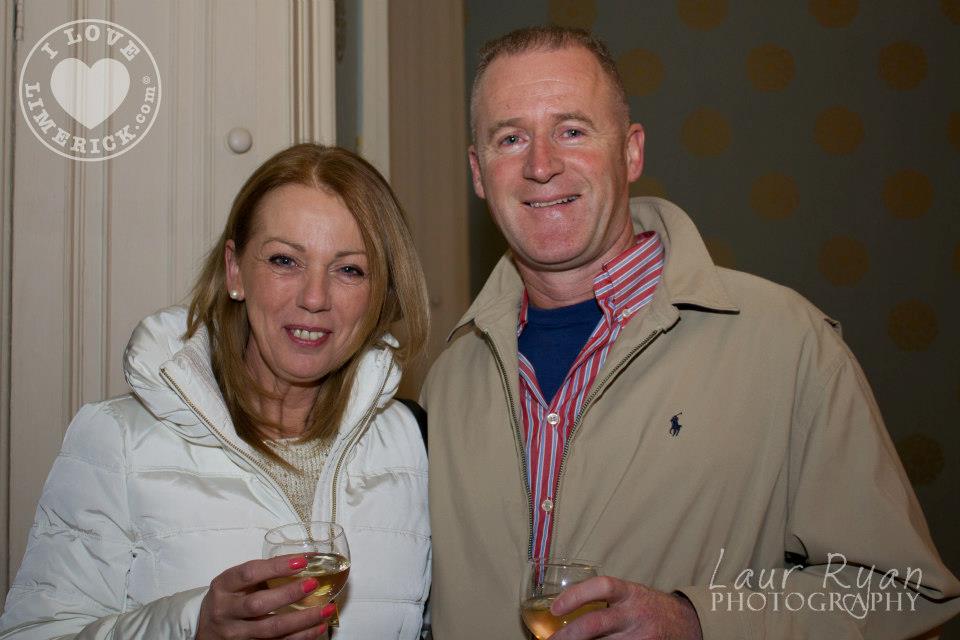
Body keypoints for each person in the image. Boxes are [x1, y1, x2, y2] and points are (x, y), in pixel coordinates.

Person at [422, 26, 960, 639]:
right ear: (478, 171)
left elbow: (904, 594)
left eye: (571, 131)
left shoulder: (786, 345)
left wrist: (700, 621)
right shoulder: (447, 380)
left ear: (631, 152)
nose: (541, 165)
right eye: (510, 138)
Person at [1, 143, 431, 639]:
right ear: (235, 271)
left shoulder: (413, 445)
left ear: (381, 294)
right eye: (285, 260)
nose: (315, 298)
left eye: (349, 269)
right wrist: (191, 628)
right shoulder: (117, 441)